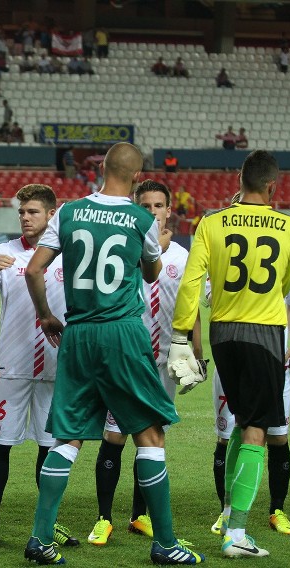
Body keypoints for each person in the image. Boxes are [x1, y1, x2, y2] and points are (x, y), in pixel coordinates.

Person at [24, 142, 204, 565]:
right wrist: (150, 248)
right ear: (138, 177)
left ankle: (39, 539)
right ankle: (165, 542)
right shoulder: (140, 219)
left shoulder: (67, 211)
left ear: (101, 169)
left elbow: (34, 269)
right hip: (122, 334)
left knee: (67, 438)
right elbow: (152, 273)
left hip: (79, 332)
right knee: (150, 435)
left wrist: (47, 316)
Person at [169, 150, 290, 558]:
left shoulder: (211, 222)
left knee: (241, 420)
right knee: (257, 432)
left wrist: (179, 337)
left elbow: (192, 282)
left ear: (238, 180)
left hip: (223, 332)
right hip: (264, 331)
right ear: (272, 186)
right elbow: (283, 282)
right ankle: (237, 534)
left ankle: (228, 515)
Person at [90, 180, 204, 546]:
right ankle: (103, 518)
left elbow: (191, 311)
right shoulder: (122, 247)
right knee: (113, 436)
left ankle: (139, 517)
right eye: (147, 205)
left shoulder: (183, 257)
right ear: (137, 209)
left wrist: (198, 353)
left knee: (152, 441)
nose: (153, 211)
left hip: (165, 361)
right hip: (127, 359)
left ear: (170, 210)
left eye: (159, 205)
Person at [0, 184, 78, 550]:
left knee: (49, 448)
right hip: (12, 365)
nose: (25, 217)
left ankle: (48, 523)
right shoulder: (5, 253)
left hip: (55, 366)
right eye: (22, 211)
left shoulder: (68, 255)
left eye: (32, 211)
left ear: (52, 214)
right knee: (0, 444)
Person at [209, 252, 290, 538]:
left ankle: (277, 510)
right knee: (229, 435)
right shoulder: (226, 245)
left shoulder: (286, 245)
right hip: (235, 351)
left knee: (277, 435)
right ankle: (227, 514)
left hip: (274, 355)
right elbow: (212, 298)